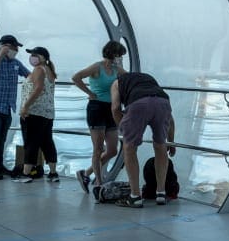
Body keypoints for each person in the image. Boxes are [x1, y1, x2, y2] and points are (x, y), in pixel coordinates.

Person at [110, 71, 175, 208]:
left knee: (130, 149)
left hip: (138, 104)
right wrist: (171, 141)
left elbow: (115, 108)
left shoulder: (116, 83)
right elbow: (171, 118)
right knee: (160, 145)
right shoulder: (148, 78)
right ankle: (161, 193)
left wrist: (123, 130)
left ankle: (135, 196)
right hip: (163, 102)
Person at [71, 40, 127, 194]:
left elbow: (130, 78)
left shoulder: (117, 69)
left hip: (112, 109)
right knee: (97, 148)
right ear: (113, 54)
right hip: (96, 108)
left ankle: (86, 173)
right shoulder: (97, 67)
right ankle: (99, 182)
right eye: (119, 55)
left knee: (112, 150)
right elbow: (76, 77)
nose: (120, 58)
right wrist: (89, 93)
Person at [0, 34, 30, 180]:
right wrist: (0, 55)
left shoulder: (15, 63)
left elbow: (29, 75)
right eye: (14, 47)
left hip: (7, 106)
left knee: (2, 139)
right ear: (6, 46)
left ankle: (0, 166)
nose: (16, 50)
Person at [15, 46, 59, 183]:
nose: (32, 57)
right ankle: (53, 173)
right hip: (47, 113)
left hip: (34, 112)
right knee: (47, 142)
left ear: (44, 58)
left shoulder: (39, 69)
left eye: (36, 55)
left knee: (31, 142)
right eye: (32, 54)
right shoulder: (49, 71)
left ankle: (26, 174)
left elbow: (38, 88)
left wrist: (25, 107)